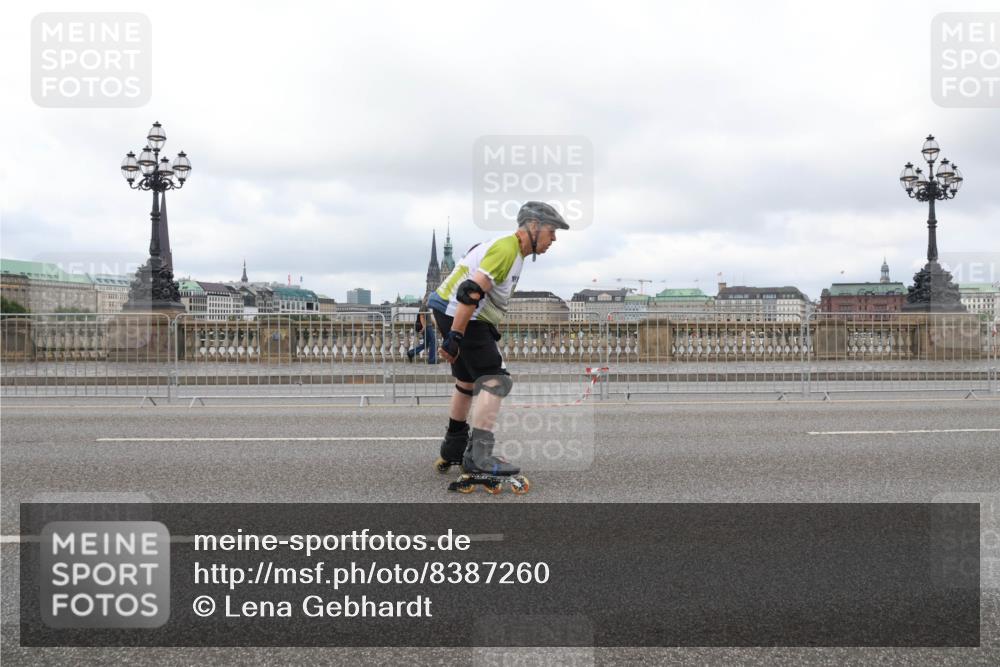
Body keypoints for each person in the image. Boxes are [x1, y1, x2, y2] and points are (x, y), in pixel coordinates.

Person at [428, 201, 569, 493]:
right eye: (551, 232)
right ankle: (478, 456)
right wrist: (455, 335)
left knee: (467, 381)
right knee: (497, 380)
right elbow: (470, 292)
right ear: (533, 227)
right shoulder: (507, 250)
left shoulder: (505, 248)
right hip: (465, 315)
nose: (553, 239)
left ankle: (453, 445)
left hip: (447, 309)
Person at [406, 299, 437, 364]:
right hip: (427, 327)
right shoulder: (423, 306)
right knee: (433, 341)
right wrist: (424, 327)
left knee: (425, 344)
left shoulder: (426, 307)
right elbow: (421, 316)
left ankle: (411, 353)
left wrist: (436, 324)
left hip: (428, 326)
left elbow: (430, 317)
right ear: (427, 300)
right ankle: (432, 360)